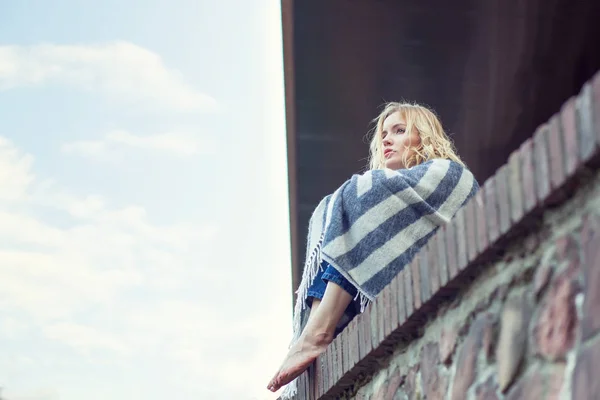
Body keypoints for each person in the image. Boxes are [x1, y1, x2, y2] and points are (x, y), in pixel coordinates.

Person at [267, 102, 478, 395]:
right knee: (331, 207)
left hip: (437, 281)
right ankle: (311, 332)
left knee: (361, 192)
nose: (387, 140)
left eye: (399, 131)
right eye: (384, 135)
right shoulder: (387, 193)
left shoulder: (449, 173)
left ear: (424, 136)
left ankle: (319, 332)